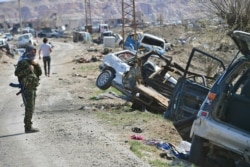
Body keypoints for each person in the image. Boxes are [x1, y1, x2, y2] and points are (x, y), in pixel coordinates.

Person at [15, 45, 42, 133]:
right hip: (27, 88)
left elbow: (39, 73)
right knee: (29, 107)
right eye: (31, 51)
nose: (33, 53)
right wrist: (28, 69)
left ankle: (29, 126)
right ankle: (28, 127)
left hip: (33, 88)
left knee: (31, 108)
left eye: (34, 51)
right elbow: (17, 73)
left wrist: (37, 65)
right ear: (28, 51)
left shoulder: (32, 61)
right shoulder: (22, 61)